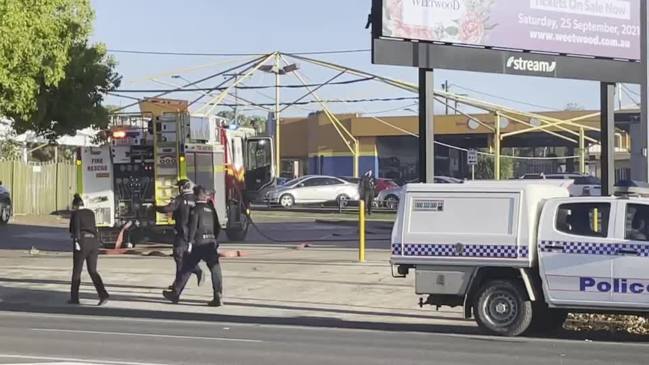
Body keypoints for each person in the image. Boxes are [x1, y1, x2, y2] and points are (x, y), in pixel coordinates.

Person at [163, 186, 223, 307]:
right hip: (210, 242)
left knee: (186, 268)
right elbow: (218, 226)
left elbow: (193, 227)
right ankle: (218, 295)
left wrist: (189, 243)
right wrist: (214, 240)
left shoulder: (195, 210)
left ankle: (175, 293)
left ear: (196, 196)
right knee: (215, 269)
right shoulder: (211, 209)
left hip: (198, 243)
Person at [155, 179, 203, 290]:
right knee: (184, 257)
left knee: (179, 258)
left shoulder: (180, 199)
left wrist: (155, 207)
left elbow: (167, 209)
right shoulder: (196, 199)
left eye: (179, 187)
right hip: (193, 234)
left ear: (183, 187)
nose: (178, 189)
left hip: (181, 233)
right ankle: (180, 282)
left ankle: (193, 273)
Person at [68, 194, 109, 305]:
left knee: (77, 271)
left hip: (82, 242)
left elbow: (74, 230)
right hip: (94, 243)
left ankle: (74, 298)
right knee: (93, 270)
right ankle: (103, 294)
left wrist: (76, 242)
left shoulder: (75, 214)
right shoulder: (91, 213)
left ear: (75, 205)